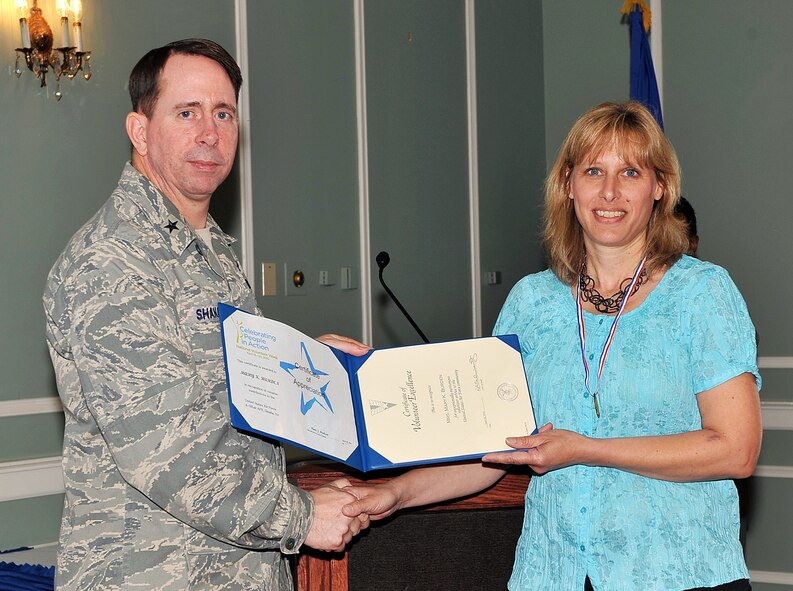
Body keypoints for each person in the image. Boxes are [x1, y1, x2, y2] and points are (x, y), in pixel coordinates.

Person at [342, 101, 761, 591]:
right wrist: (396, 494)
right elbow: (490, 452)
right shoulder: (531, 301)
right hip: (553, 574)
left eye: (630, 171)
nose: (609, 191)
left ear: (660, 187)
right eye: (592, 171)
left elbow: (735, 450)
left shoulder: (703, 293)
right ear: (568, 185)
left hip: (683, 573)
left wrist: (586, 449)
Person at [43, 39, 370, 590]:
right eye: (186, 112)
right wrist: (304, 517)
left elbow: (221, 394)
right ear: (140, 130)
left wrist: (309, 365)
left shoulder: (209, 247)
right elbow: (169, 453)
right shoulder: (112, 261)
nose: (209, 133)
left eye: (223, 113)